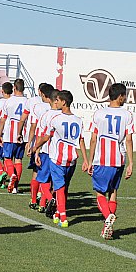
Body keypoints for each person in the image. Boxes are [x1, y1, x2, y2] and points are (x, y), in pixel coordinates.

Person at [86, 83, 135, 240]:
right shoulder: (127, 115)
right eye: (125, 95)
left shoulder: (99, 114)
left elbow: (93, 139)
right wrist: (131, 163)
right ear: (120, 97)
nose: (125, 98)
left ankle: (108, 217)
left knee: (100, 192)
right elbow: (128, 140)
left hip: (102, 159)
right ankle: (108, 227)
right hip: (118, 160)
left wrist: (90, 160)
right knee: (113, 191)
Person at [33, 90, 88, 228]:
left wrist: (35, 148)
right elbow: (81, 140)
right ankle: (58, 212)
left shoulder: (56, 119)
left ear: (64, 102)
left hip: (57, 158)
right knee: (64, 188)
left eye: (58, 100)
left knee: (59, 187)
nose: (56, 102)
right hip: (72, 159)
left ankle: (63, 216)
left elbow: (46, 137)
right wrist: (86, 160)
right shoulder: (78, 120)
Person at [20, 83, 54, 208]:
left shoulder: (38, 107)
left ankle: (34, 200)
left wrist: (30, 143)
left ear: (42, 94)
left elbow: (33, 127)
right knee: (49, 176)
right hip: (54, 148)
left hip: (40, 144)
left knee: (37, 171)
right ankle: (42, 202)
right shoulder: (57, 109)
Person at [32, 89, 61, 212]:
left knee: (43, 179)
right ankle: (42, 204)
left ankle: (49, 199)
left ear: (50, 100)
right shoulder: (63, 116)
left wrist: (36, 150)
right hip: (59, 153)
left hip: (46, 151)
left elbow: (40, 134)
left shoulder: (46, 116)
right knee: (53, 181)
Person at [0, 79, 28, 194]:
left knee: (7, 158)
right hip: (22, 135)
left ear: (14, 88)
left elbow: (3, 119)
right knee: (18, 159)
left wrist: (0, 134)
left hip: (10, 134)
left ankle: (12, 175)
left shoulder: (9, 101)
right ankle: (15, 187)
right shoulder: (27, 102)